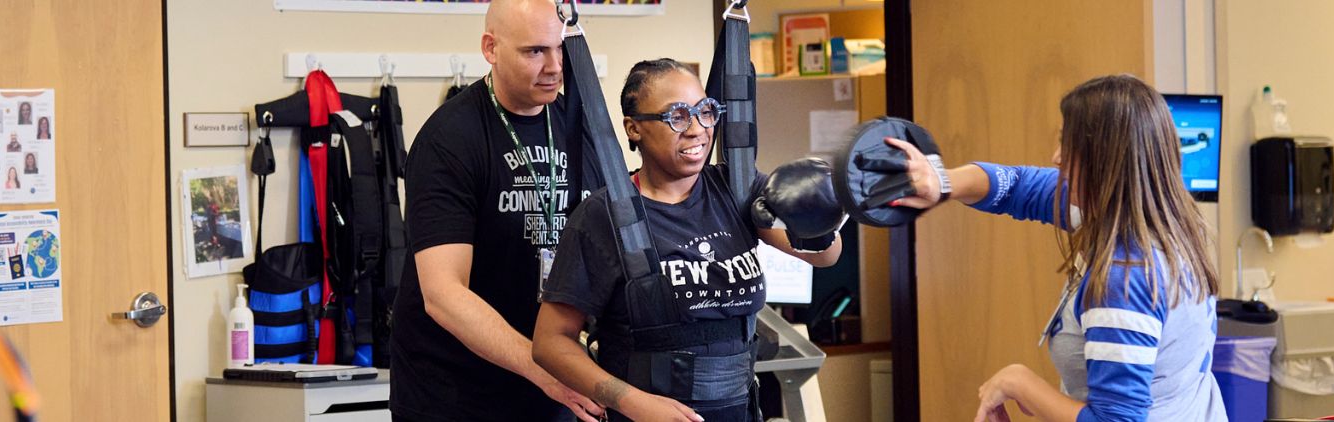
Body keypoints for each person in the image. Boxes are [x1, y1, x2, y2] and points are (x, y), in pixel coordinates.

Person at [883, 75, 1226, 422]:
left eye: (1071, 147)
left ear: (1107, 161)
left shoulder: (1126, 275)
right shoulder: (1168, 220)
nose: (1057, 157)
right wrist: (940, 181)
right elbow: (1018, 186)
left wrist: (1018, 383)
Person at [531, 59, 843, 422]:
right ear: (634, 128)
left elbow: (824, 256)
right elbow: (550, 343)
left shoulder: (737, 189)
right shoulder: (601, 217)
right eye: (676, 117)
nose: (697, 129)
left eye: (705, 111)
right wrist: (629, 401)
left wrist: (817, 218)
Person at [388, 0, 600, 421]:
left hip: (549, 389)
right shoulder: (450, 139)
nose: (555, 66)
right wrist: (546, 367)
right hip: (455, 397)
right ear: (491, 48)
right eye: (535, 51)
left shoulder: (578, 122)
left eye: (561, 49)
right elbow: (444, 295)